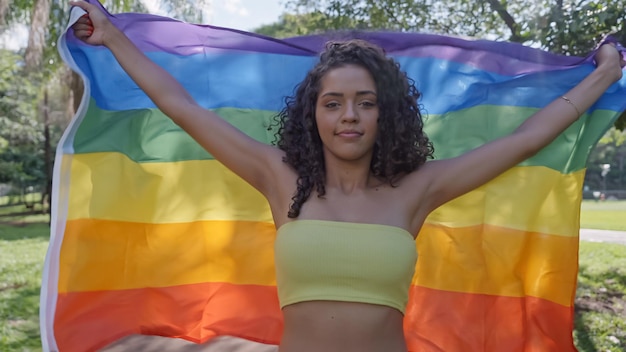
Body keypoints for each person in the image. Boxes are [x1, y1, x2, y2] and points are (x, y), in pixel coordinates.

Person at [69, 1, 624, 352]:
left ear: (387, 113)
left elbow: (526, 138)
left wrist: (603, 76)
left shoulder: (419, 188)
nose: (349, 116)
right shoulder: (277, 176)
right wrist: (114, 37)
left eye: (365, 102)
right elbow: (182, 107)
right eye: (333, 103)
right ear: (314, 114)